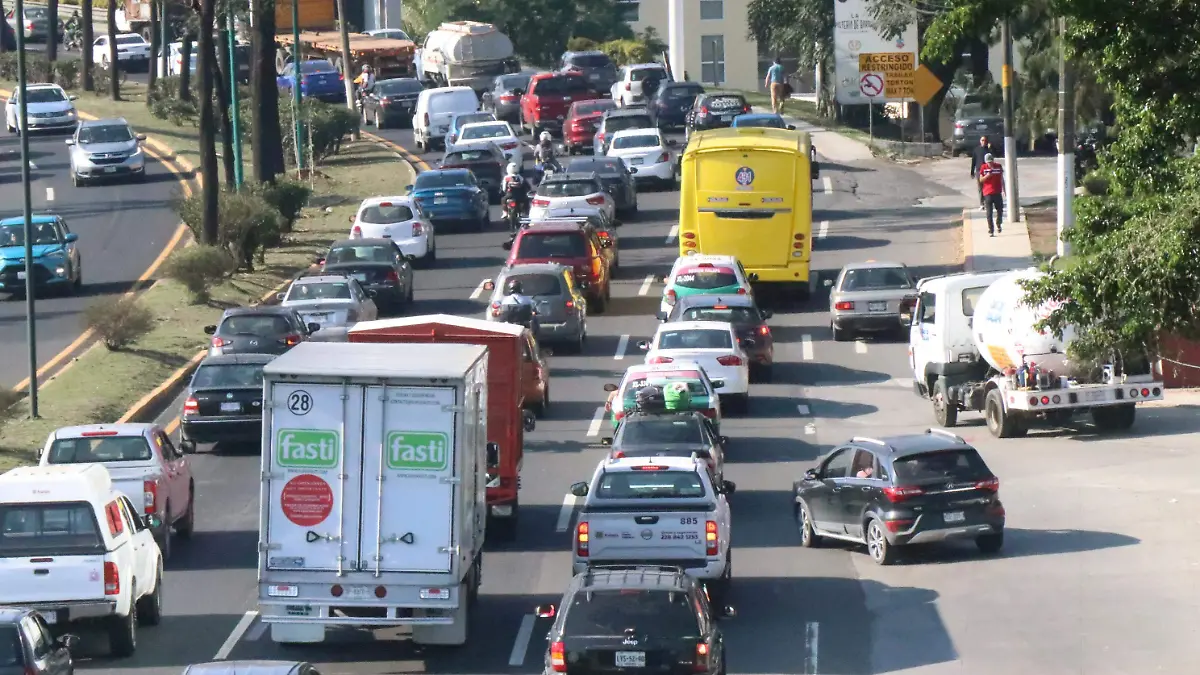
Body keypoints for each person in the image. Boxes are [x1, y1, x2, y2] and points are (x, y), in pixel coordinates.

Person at [979, 152, 1005, 236]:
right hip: (988, 193)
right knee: (989, 213)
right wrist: (987, 176)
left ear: (993, 160)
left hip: (997, 192)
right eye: (988, 162)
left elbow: (1001, 178)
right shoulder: (983, 167)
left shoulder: (998, 166)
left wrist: (1004, 190)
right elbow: (981, 180)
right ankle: (991, 230)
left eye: (991, 161)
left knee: (1000, 210)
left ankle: (998, 223)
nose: (990, 164)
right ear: (985, 162)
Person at [970, 136, 995, 209]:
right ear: (980, 141)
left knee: (988, 186)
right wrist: (972, 172)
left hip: (987, 170)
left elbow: (993, 157)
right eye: (982, 140)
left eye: (985, 140)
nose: (983, 142)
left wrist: (990, 148)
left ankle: (988, 202)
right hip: (979, 171)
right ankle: (982, 203)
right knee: (980, 188)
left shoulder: (988, 150)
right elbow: (973, 161)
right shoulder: (976, 150)